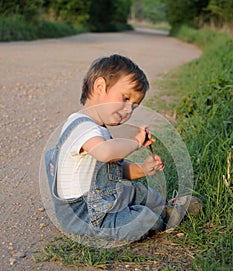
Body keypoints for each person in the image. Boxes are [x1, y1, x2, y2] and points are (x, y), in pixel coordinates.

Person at [46, 54, 201, 246]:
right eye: (125, 98)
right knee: (141, 220)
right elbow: (106, 153)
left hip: (101, 200)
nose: (128, 110)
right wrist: (135, 143)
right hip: (85, 214)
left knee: (140, 192)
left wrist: (143, 169)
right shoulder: (82, 126)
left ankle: (165, 207)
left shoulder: (96, 129)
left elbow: (111, 169)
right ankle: (162, 219)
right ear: (100, 87)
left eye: (134, 106)